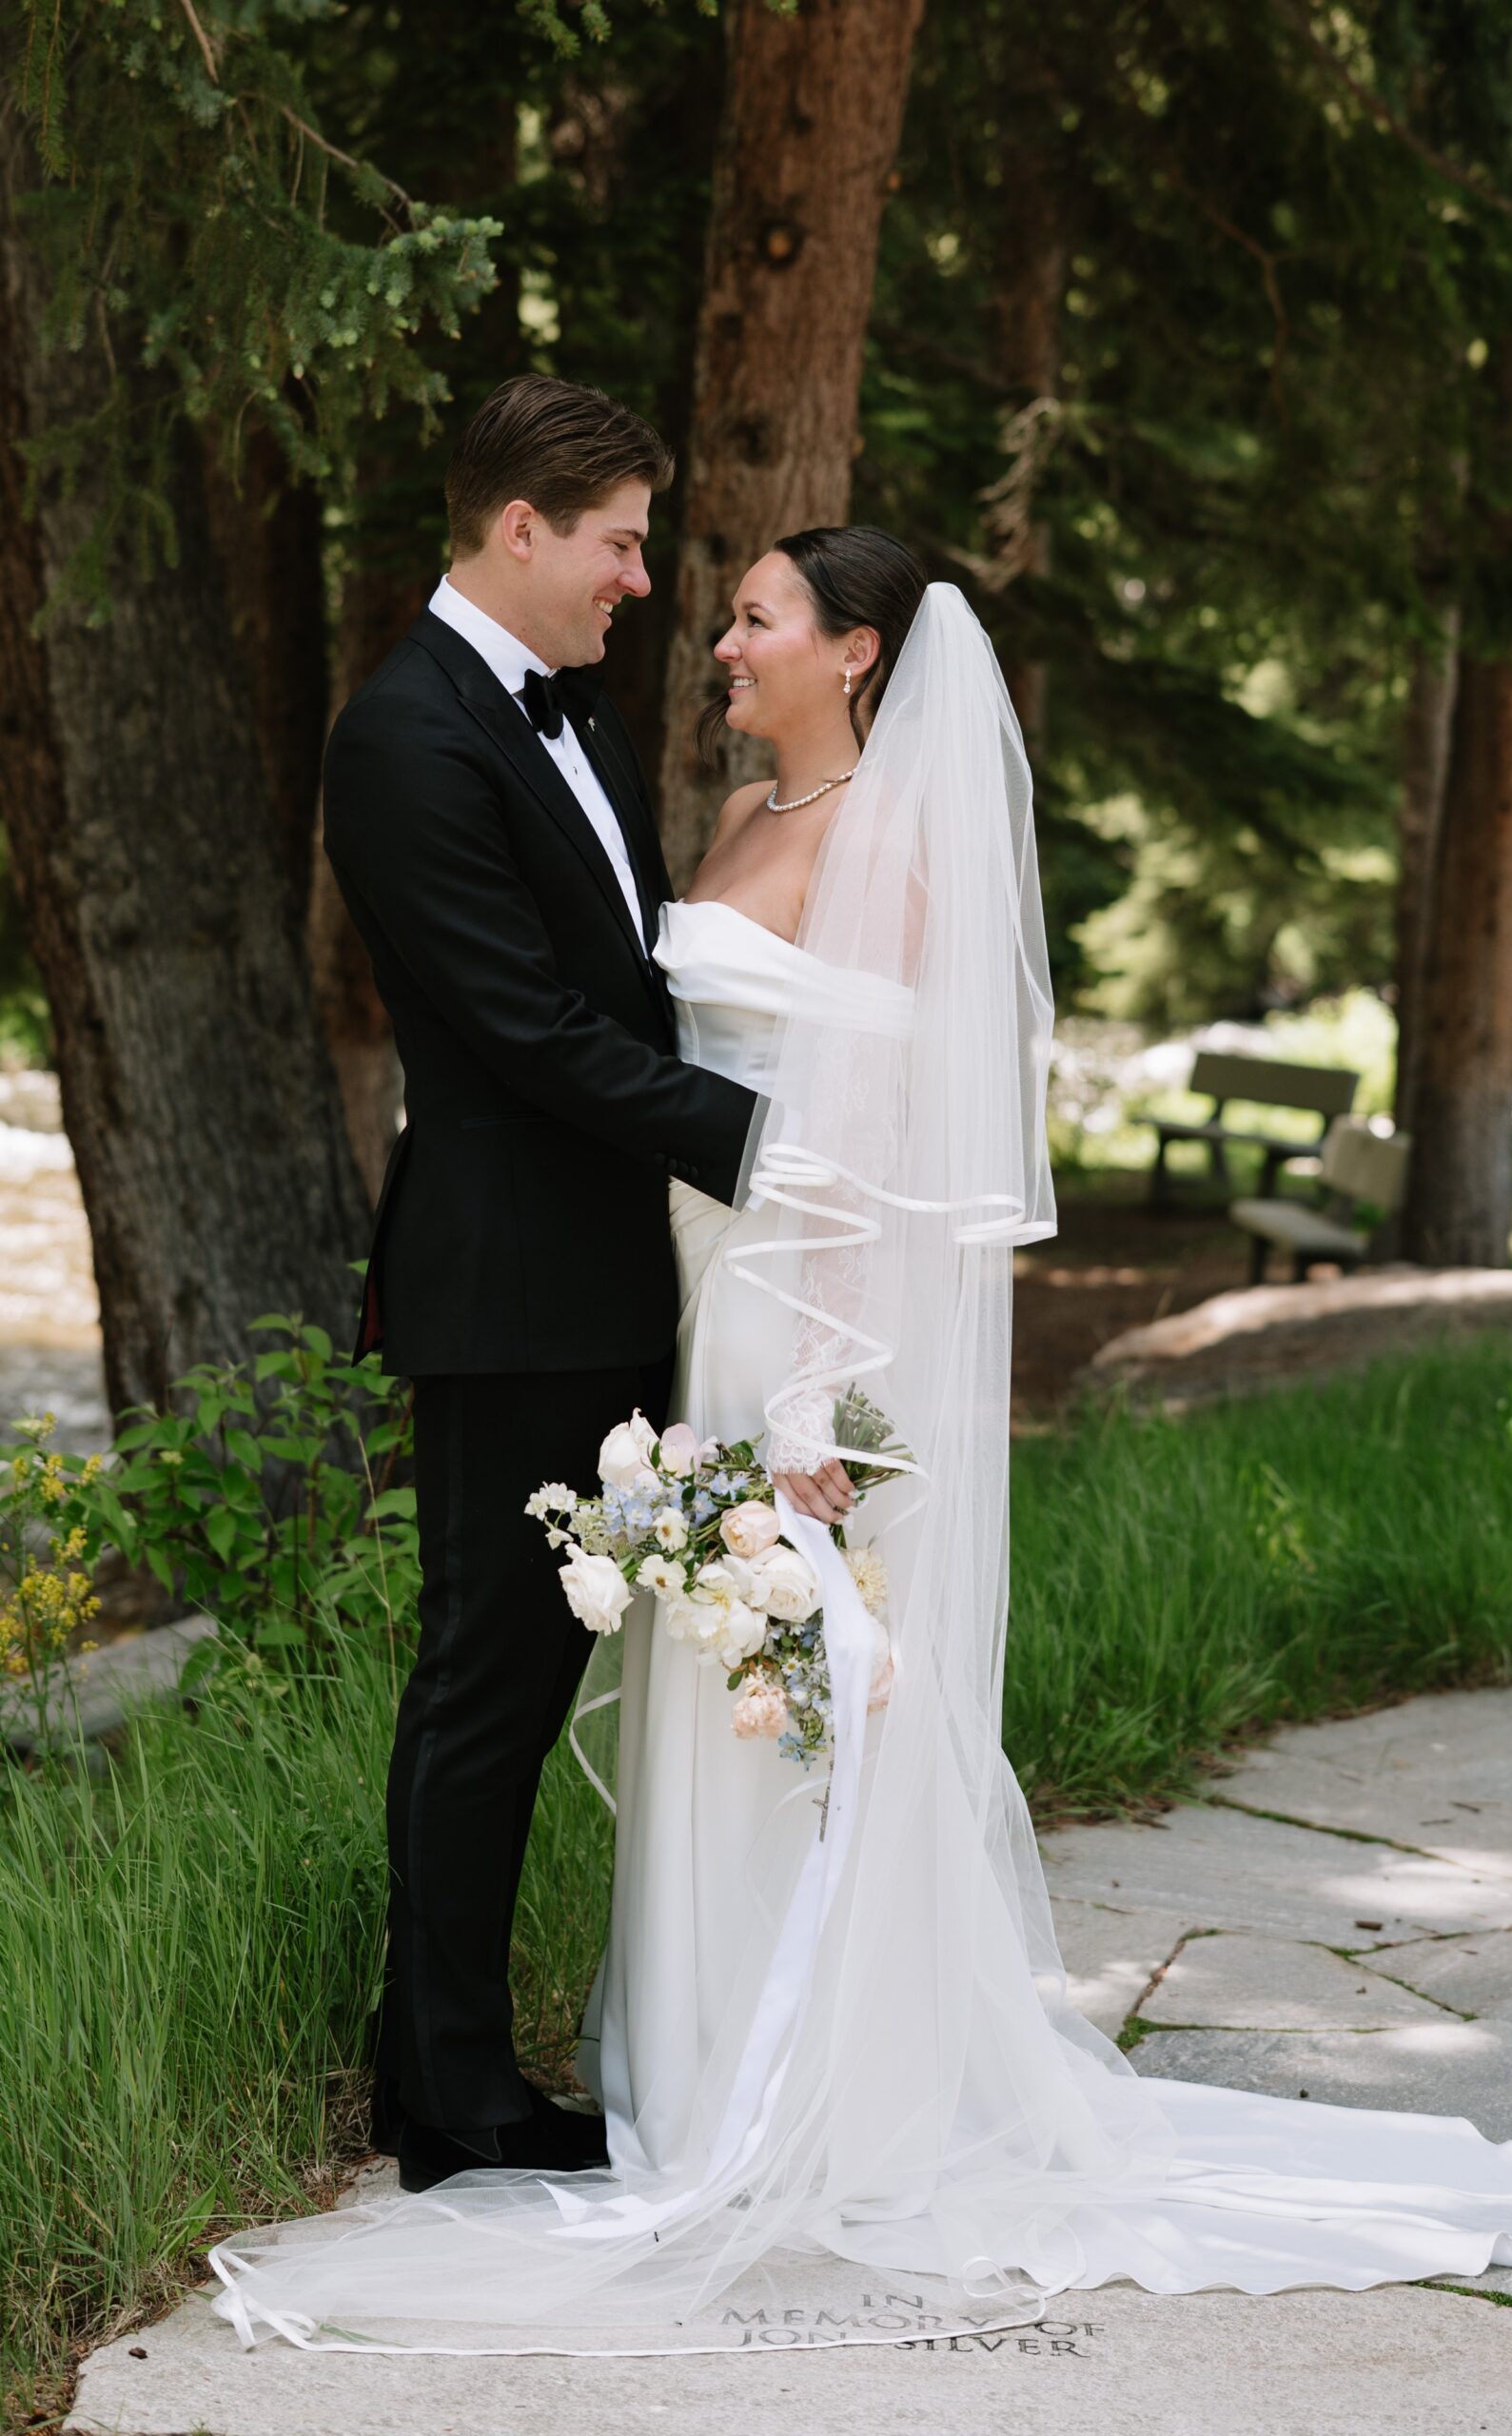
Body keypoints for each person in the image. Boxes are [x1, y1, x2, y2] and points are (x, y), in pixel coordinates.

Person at [213, 526, 1512, 2354]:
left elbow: (899, 1140)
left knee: (802, 1682)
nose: (715, 636)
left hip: (801, 1326)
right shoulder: (721, 823)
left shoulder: (898, 843)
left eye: (756, 615)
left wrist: (818, 1406)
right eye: (711, 604)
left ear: (857, 652)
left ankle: (822, 2097)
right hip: (689, 1310)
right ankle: (688, 2073)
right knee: (718, 1691)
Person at [317, 375, 758, 2194]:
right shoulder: (405, 734)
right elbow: (521, 1027)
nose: (640, 580)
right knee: (484, 1682)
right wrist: (762, 1137)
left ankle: (434, 2052)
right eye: (619, 542)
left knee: (512, 1675)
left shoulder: (568, 714)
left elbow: (627, 988)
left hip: (601, 1276)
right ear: (520, 529)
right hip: (505, 1286)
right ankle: (451, 2101)